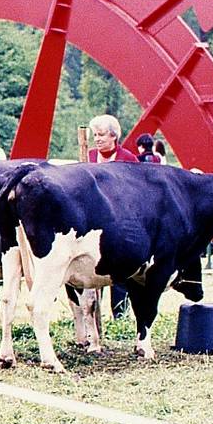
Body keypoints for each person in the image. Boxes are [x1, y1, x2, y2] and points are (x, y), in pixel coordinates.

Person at [87, 116, 135, 318]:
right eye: (95, 135)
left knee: (120, 271)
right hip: (92, 223)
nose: (97, 139)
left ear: (113, 136)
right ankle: (92, 316)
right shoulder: (87, 156)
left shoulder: (128, 159)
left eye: (101, 135)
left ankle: (120, 315)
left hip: (120, 224)